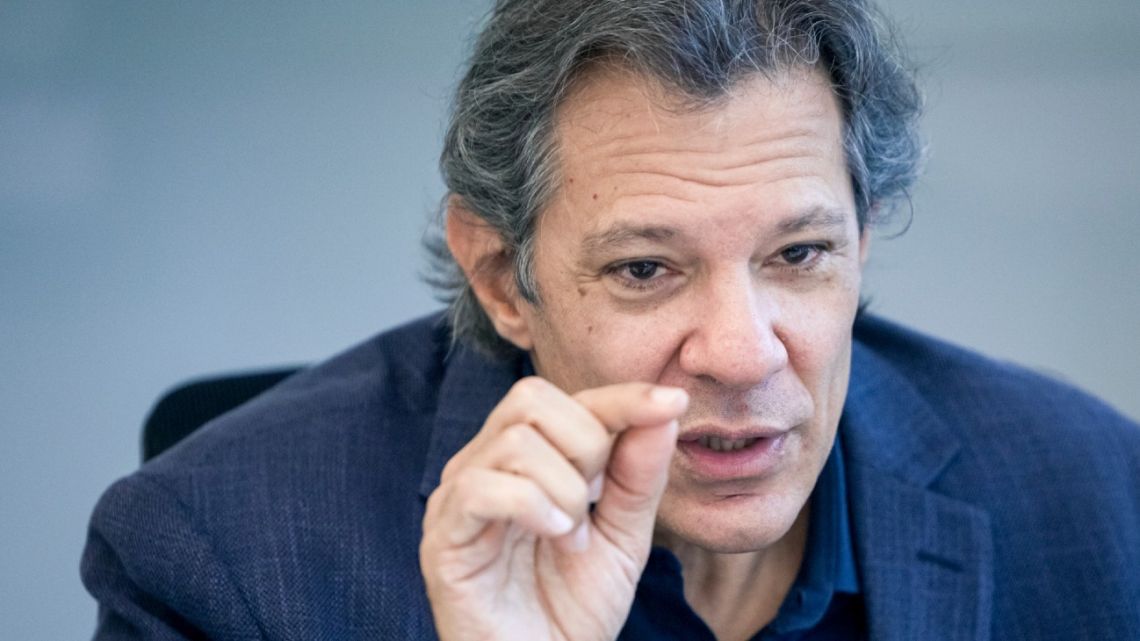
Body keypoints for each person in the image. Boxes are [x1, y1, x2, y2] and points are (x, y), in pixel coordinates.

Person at [82, 0, 1140, 639]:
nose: (741, 351)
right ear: (503, 276)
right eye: (646, 267)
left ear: (861, 243)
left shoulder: (1093, 494)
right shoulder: (222, 556)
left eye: (799, 254)